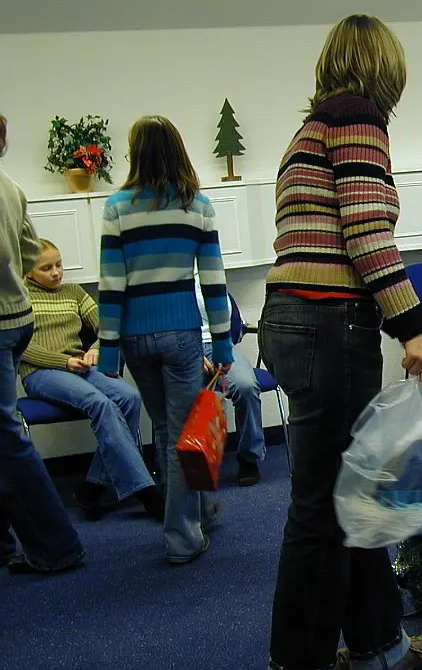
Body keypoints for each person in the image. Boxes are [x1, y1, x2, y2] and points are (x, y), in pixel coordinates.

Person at [260, 14, 422, 670]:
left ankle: (378, 643)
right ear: (382, 67)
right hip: (329, 322)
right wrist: (414, 326)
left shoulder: (309, 129)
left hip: (293, 319)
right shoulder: (357, 116)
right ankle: (299, 660)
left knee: (350, 490)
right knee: (322, 508)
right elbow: (368, 234)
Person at [98, 115, 233, 565]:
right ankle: (182, 536)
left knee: (165, 429)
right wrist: (224, 345)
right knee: (182, 433)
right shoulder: (198, 207)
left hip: (135, 338)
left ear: (136, 153)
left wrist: (110, 351)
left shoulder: (118, 207)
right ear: (178, 150)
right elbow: (214, 283)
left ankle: (194, 510)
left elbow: (111, 285)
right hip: (181, 336)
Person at [21, 239, 164, 520]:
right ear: (28, 272)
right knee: (101, 403)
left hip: (79, 366)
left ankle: (93, 485)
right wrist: (62, 361)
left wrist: (96, 349)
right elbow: (21, 346)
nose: (56, 273)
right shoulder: (19, 298)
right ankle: (146, 492)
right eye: (46, 268)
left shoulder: (74, 292)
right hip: (41, 372)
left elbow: (107, 325)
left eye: (59, 265)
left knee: (129, 396)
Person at [0, 113, 85, 574]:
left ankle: (58, 547)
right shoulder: (9, 185)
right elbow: (31, 252)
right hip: (16, 320)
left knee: (7, 439)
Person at [195, 277, 265, 486]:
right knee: (189, 395)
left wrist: (222, 350)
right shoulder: (166, 283)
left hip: (221, 346)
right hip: (185, 350)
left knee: (246, 386)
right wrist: (191, 353)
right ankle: (195, 465)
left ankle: (248, 459)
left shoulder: (207, 277)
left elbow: (228, 324)